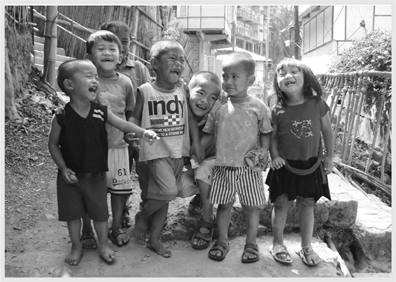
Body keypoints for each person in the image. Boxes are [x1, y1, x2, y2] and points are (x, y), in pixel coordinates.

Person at [48, 59, 158, 266]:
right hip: (70, 177)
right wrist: (63, 168)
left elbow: (123, 123)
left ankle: (103, 245)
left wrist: (143, 132)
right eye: (88, 76)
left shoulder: (100, 111)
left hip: (96, 175)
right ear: (69, 85)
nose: (95, 80)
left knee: (99, 213)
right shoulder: (61, 116)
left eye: (96, 77)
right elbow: (53, 145)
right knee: (73, 215)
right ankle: (76, 245)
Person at [131, 39, 204, 258]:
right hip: (153, 151)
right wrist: (131, 132)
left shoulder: (182, 89)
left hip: (176, 152)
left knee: (163, 201)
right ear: (154, 63)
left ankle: (154, 239)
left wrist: (196, 143)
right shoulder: (144, 90)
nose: (178, 64)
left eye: (181, 60)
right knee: (169, 192)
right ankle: (142, 217)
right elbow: (134, 117)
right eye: (172, 58)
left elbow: (190, 117)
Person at [202, 52, 272, 263]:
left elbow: (266, 132)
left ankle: (251, 244)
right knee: (224, 205)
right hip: (223, 166)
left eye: (235, 77)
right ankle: (222, 241)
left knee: (252, 207)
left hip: (250, 168)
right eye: (225, 76)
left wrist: (264, 151)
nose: (228, 82)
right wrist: (196, 150)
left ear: (250, 81)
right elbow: (208, 133)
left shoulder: (258, 106)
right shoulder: (219, 108)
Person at [265, 58, 333, 266]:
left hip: (311, 164)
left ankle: (306, 247)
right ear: (277, 82)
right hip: (284, 165)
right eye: (282, 73)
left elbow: (327, 131)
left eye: (295, 71)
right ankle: (277, 244)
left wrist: (329, 157)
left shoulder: (316, 103)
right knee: (281, 203)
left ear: (306, 77)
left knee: (307, 204)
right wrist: (274, 156)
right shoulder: (277, 109)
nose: (288, 75)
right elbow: (273, 138)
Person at [80, 30, 135, 249]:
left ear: (120, 57)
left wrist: (131, 136)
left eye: (113, 49)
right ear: (90, 56)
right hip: (92, 149)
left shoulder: (126, 83)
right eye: (101, 49)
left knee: (120, 190)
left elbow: (129, 112)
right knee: (90, 192)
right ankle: (86, 231)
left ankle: (115, 227)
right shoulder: (85, 81)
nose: (107, 53)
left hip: (119, 146)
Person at [100, 20, 153, 230]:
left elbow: (148, 94)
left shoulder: (137, 68)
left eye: (124, 42)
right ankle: (100, 215)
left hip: (130, 132)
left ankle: (123, 211)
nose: (120, 47)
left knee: (127, 173)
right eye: (113, 41)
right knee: (102, 175)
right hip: (102, 135)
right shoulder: (93, 70)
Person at [185, 71, 222, 250]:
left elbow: (200, 148)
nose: (204, 101)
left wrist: (197, 148)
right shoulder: (179, 105)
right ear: (188, 90)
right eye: (200, 93)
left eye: (212, 97)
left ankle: (207, 218)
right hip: (186, 155)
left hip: (211, 156)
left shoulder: (216, 113)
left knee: (203, 170)